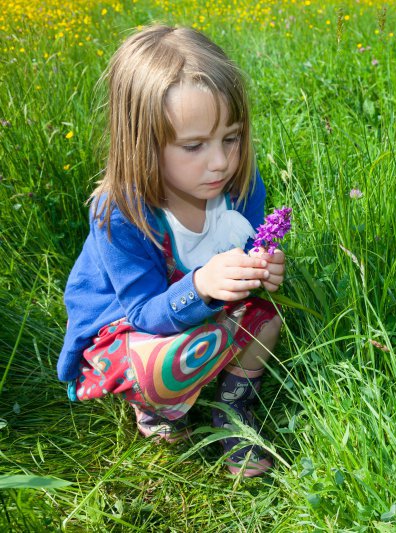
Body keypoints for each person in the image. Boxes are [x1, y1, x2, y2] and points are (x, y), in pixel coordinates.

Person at [57, 24, 284, 477]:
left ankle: (233, 409)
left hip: (197, 308)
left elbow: (246, 252)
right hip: (127, 325)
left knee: (267, 321)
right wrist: (202, 285)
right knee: (160, 372)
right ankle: (154, 406)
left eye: (231, 137)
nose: (220, 161)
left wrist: (262, 268)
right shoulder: (121, 213)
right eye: (194, 146)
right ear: (143, 144)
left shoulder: (240, 186)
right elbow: (143, 312)